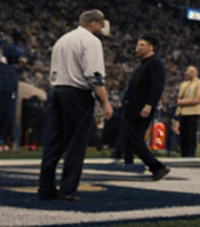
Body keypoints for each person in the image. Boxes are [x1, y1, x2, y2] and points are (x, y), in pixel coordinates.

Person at [38, 10, 113, 202]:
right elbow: (94, 75)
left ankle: (45, 188)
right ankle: (67, 189)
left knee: (53, 141)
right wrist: (105, 102)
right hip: (76, 93)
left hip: (56, 91)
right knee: (76, 143)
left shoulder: (62, 39)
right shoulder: (91, 41)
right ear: (95, 23)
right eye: (100, 25)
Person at [120, 34, 170, 181]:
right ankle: (150, 165)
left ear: (150, 47)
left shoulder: (155, 64)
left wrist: (149, 105)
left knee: (133, 137)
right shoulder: (142, 65)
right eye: (137, 45)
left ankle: (157, 166)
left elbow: (157, 87)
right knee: (129, 138)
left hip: (142, 108)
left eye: (141, 45)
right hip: (133, 107)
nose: (137, 48)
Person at [173, 65, 200, 157]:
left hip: (194, 112)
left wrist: (184, 102)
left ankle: (191, 154)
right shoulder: (184, 85)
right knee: (183, 134)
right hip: (183, 112)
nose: (186, 74)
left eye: (188, 72)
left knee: (191, 134)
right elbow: (179, 98)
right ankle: (184, 154)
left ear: (194, 73)